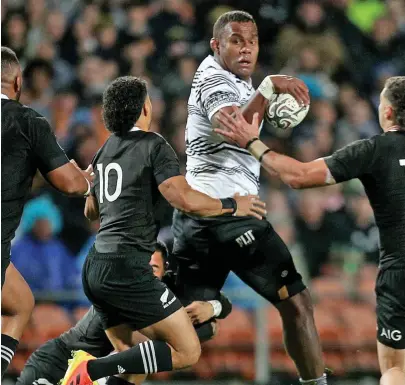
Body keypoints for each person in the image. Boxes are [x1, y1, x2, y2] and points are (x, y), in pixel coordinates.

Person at [61, 75, 265, 385]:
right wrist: (233, 205)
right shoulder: (153, 145)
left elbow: (92, 211)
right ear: (144, 108)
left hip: (96, 267)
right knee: (187, 350)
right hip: (128, 266)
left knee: (133, 364)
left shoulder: (105, 150)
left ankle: (92, 374)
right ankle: (88, 371)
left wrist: (91, 185)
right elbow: (184, 199)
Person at [214, 76, 405, 384]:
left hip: (400, 272)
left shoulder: (374, 150)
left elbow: (298, 176)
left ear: (387, 113)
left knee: (397, 369)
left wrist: (252, 141)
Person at [172, 10, 328, 385]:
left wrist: (263, 95)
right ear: (216, 45)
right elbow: (232, 129)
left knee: (191, 329)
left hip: (200, 222)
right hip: (229, 217)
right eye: (236, 41)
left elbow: (245, 125)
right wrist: (269, 88)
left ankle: (97, 370)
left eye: (252, 41)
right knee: (297, 302)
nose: (246, 49)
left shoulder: (239, 81)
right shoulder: (213, 78)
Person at [17, 242, 232, 385]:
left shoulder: (163, 294)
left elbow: (223, 303)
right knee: (138, 360)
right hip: (57, 365)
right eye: (142, 269)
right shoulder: (124, 293)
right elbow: (145, 344)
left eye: (153, 269)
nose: (146, 276)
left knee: (137, 365)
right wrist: (202, 331)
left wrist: (213, 307)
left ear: (166, 271)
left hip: (96, 373)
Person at [1, 46, 93, 377]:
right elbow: (68, 183)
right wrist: (86, 182)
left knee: (21, 302)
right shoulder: (27, 121)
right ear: (18, 82)